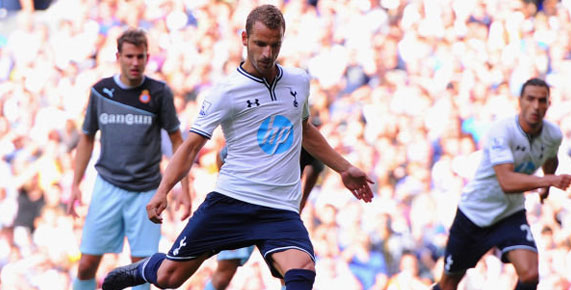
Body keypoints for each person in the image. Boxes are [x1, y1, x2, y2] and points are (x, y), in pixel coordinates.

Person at [102, 5, 374, 290]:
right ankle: (144, 269)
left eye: (274, 45)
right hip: (231, 201)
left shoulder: (298, 81)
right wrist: (163, 190)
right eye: (260, 44)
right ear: (245, 38)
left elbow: (304, 129)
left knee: (302, 270)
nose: (267, 53)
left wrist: (344, 168)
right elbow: (191, 146)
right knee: (169, 278)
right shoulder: (226, 91)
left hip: (279, 209)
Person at [67, 28, 191, 290]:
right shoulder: (102, 91)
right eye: (130, 56)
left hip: (146, 192)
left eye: (141, 57)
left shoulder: (159, 93)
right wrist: (75, 183)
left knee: (141, 270)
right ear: (118, 56)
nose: (135, 63)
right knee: (86, 264)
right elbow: (87, 137)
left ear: (147, 57)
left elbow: (179, 142)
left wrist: (184, 188)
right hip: (108, 187)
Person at [433, 78, 571, 290]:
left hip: (510, 213)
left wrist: (546, 185)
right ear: (520, 102)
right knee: (448, 284)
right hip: (474, 214)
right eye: (530, 99)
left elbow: (550, 158)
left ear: (548, 105)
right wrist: (548, 180)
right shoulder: (502, 131)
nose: (536, 106)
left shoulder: (552, 134)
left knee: (530, 275)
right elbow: (506, 181)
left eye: (542, 100)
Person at [204, 146, 325, 290]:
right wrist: (229, 189)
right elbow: (223, 156)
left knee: (290, 272)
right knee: (224, 275)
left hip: (279, 213)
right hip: (245, 208)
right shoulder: (269, 130)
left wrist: (301, 202)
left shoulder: (309, 140)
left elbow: (316, 166)